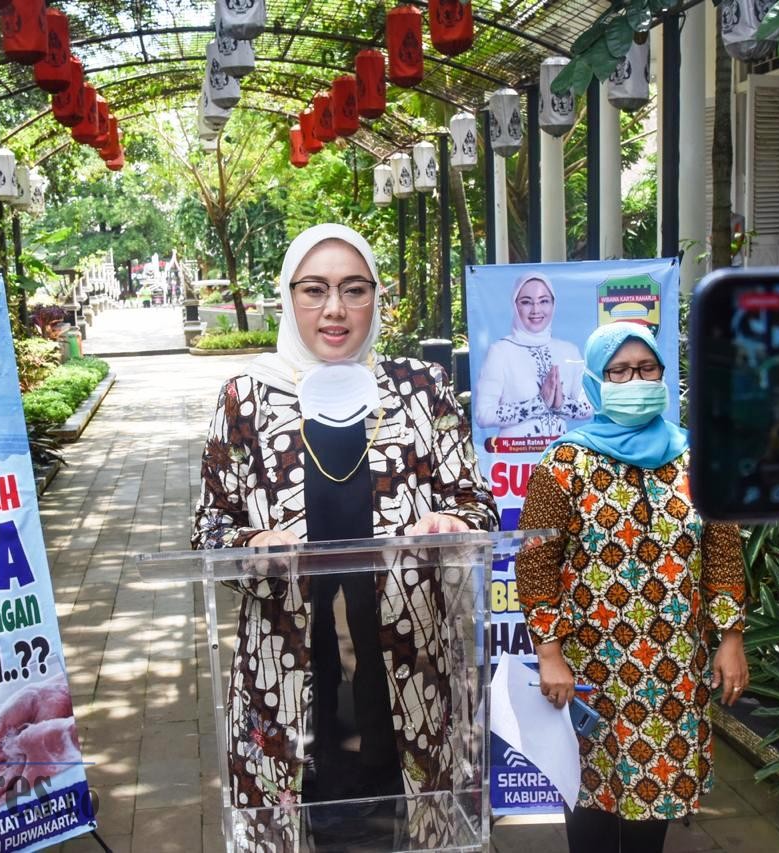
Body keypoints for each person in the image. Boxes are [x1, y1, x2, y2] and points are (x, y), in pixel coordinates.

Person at [191, 224, 498, 850]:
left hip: (410, 672)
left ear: (374, 299)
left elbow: (477, 504)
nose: (335, 309)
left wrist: (453, 524)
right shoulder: (245, 400)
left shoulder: (419, 389)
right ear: (289, 297)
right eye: (315, 289)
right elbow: (208, 528)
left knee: (401, 827)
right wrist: (250, 541)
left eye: (354, 290)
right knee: (306, 823)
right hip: (288, 676)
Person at [513, 322, 749, 853]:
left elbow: (723, 553)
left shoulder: (695, 456)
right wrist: (549, 653)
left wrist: (730, 637)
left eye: (646, 369)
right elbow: (536, 564)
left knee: (654, 804)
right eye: (618, 371)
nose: (634, 380)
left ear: (664, 375)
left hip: (671, 670)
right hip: (589, 669)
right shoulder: (564, 463)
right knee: (592, 808)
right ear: (597, 382)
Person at [474, 273, 593, 444]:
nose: (536, 310)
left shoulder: (569, 351)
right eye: (526, 302)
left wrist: (561, 404)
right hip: (513, 462)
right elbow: (483, 415)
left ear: (553, 304)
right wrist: (538, 404)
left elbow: (588, 408)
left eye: (544, 301)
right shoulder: (500, 351)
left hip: (560, 458)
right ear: (515, 305)